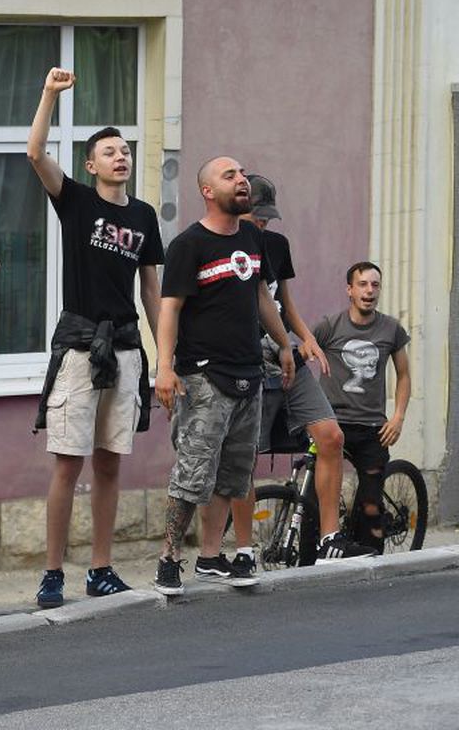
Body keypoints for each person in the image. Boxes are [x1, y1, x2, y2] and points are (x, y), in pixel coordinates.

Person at [26, 68, 164, 606]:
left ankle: (101, 568)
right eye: (109, 151)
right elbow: (35, 153)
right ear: (91, 164)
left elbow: (152, 290)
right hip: (81, 346)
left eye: (124, 149)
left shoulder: (145, 216)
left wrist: (165, 356)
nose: (119, 156)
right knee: (68, 460)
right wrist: (49, 95)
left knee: (110, 461)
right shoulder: (77, 201)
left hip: (126, 348)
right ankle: (53, 571)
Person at [152, 156, 295, 597]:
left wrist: (284, 344)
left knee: (234, 474)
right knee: (193, 473)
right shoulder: (188, 245)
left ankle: (213, 557)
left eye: (241, 174)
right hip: (203, 377)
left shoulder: (252, 236)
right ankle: (168, 560)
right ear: (208, 191)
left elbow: (261, 296)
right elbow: (170, 309)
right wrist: (164, 367)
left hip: (249, 374)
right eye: (229, 175)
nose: (241, 181)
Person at [227, 176, 373, 569]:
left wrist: (305, 338)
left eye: (267, 219)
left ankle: (329, 539)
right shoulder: (225, 246)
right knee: (243, 456)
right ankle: (244, 551)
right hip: (243, 358)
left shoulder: (275, 245)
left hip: (283, 353)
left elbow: (283, 303)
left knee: (331, 436)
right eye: (258, 218)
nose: (263, 226)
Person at [313, 262, 411, 553]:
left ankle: (372, 568)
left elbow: (404, 375)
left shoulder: (391, 329)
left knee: (371, 508)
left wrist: (398, 418)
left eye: (375, 285)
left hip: (372, 429)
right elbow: (304, 352)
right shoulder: (330, 326)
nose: (369, 291)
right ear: (349, 290)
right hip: (332, 425)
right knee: (314, 500)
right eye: (363, 284)